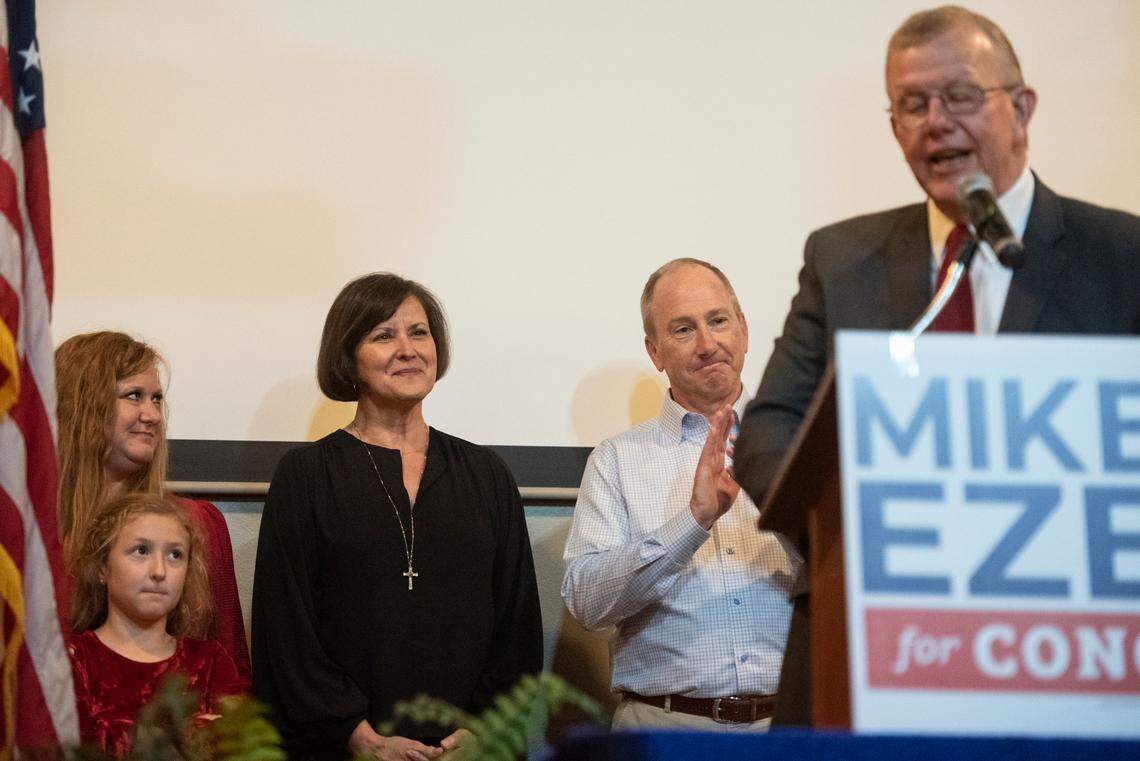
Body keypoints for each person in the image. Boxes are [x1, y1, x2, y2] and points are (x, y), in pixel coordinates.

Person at [733, 5, 1140, 726]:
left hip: (1068, 642)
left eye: (959, 96)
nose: (934, 121)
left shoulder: (1121, 256)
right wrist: (878, 520)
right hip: (870, 631)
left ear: (1021, 107)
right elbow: (768, 434)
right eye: (911, 104)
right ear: (894, 129)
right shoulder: (841, 258)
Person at [251, 273, 543, 761]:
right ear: (349, 358)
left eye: (419, 332)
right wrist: (354, 734)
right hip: (343, 748)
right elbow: (285, 630)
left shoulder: (486, 474)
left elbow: (518, 625)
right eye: (383, 335)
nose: (407, 349)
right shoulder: (305, 477)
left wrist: (484, 729)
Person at [561, 258, 801, 731]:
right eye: (683, 329)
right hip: (665, 726)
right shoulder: (617, 460)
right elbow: (586, 600)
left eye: (718, 321)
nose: (708, 344)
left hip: (790, 725)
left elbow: (852, 575)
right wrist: (692, 523)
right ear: (655, 352)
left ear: (744, 331)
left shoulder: (801, 443)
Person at [55, 331, 252, 683]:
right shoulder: (34, 532)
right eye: (135, 396)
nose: (153, 415)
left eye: (157, 399)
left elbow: (231, 665)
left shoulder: (198, 525)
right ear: (82, 405)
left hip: (178, 732)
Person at [68, 493, 244, 757]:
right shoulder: (74, 661)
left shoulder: (211, 663)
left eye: (175, 555)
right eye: (141, 550)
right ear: (103, 566)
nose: (159, 571)